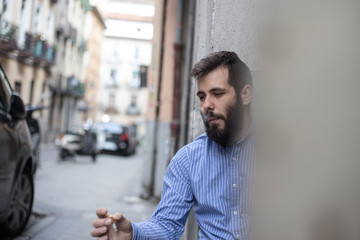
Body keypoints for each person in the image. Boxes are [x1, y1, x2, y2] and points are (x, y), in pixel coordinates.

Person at [90, 51, 255, 240]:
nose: (206, 105)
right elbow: (167, 225)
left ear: (245, 94)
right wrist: (133, 234)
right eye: (202, 96)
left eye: (217, 94)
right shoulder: (189, 159)